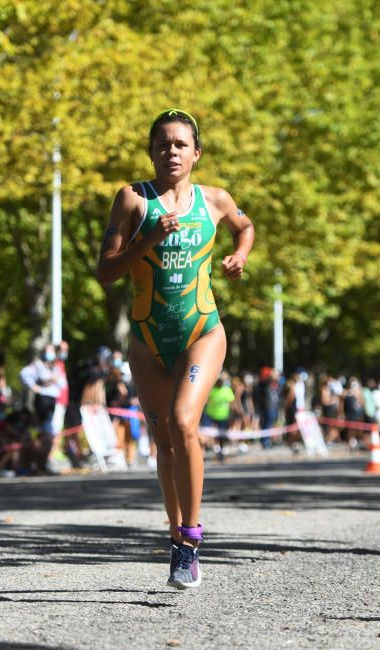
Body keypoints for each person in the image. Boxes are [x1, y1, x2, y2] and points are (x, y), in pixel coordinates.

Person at [95, 108, 253, 589]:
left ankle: (190, 541)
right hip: (147, 342)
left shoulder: (215, 199)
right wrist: (148, 240)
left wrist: (239, 255)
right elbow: (105, 272)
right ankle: (174, 536)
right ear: (151, 151)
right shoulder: (132, 200)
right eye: (162, 143)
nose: (171, 151)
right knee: (163, 441)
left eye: (181, 144)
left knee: (185, 423)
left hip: (201, 331)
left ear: (196, 153)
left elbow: (244, 226)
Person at [19, 344, 67, 474]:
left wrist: (52, 379)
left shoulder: (55, 367)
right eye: (48, 351)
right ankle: (36, 464)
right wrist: (35, 386)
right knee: (41, 435)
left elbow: (63, 384)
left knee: (50, 436)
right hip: (42, 401)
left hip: (52, 401)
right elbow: (24, 374)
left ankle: (43, 463)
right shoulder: (38, 365)